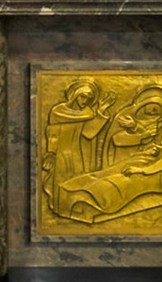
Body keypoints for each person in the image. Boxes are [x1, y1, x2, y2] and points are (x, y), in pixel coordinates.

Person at [41, 78, 116, 214]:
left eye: (89, 98)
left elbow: (88, 133)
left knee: (77, 182)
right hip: (62, 152)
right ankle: (61, 210)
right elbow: (52, 133)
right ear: (75, 94)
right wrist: (51, 152)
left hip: (79, 154)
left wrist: (100, 112)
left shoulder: (88, 113)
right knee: (62, 180)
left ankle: (75, 209)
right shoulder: (58, 111)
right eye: (83, 96)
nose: (85, 101)